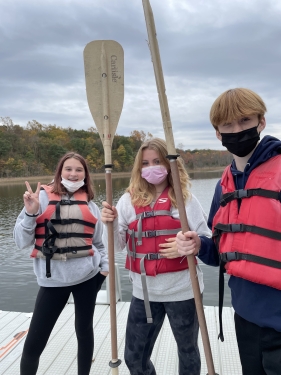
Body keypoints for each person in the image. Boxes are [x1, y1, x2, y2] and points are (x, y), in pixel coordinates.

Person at [176, 88, 281, 375]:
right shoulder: (225, 185)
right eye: (228, 125)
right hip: (246, 316)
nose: (237, 130)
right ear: (218, 134)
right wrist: (199, 245)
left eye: (245, 120)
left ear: (261, 122)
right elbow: (221, 251)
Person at [101, 138, 211, 375]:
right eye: (146, 163)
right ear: (139, 168)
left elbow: (206, 239)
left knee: (188, 352)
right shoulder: (128, 200)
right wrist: (107, 224)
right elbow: (117, 245)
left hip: (183, 291)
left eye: (157, 161)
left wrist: (189, 244)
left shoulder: (185, 200)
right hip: (144, 293)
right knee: (134, 357)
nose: (151, 167)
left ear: (170, 165)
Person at [14, 152, 108, 375]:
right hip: (52, 282)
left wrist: (103, 270)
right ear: (60, 172)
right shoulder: (41, 199)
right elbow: (20, 241)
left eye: (79, 170)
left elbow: (100, 244)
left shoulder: (91, 206)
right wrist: (30, 212)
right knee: (35, 342)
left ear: (85, 174)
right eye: (68, 169)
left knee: (84, 331)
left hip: (88, 278)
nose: (73, 174)